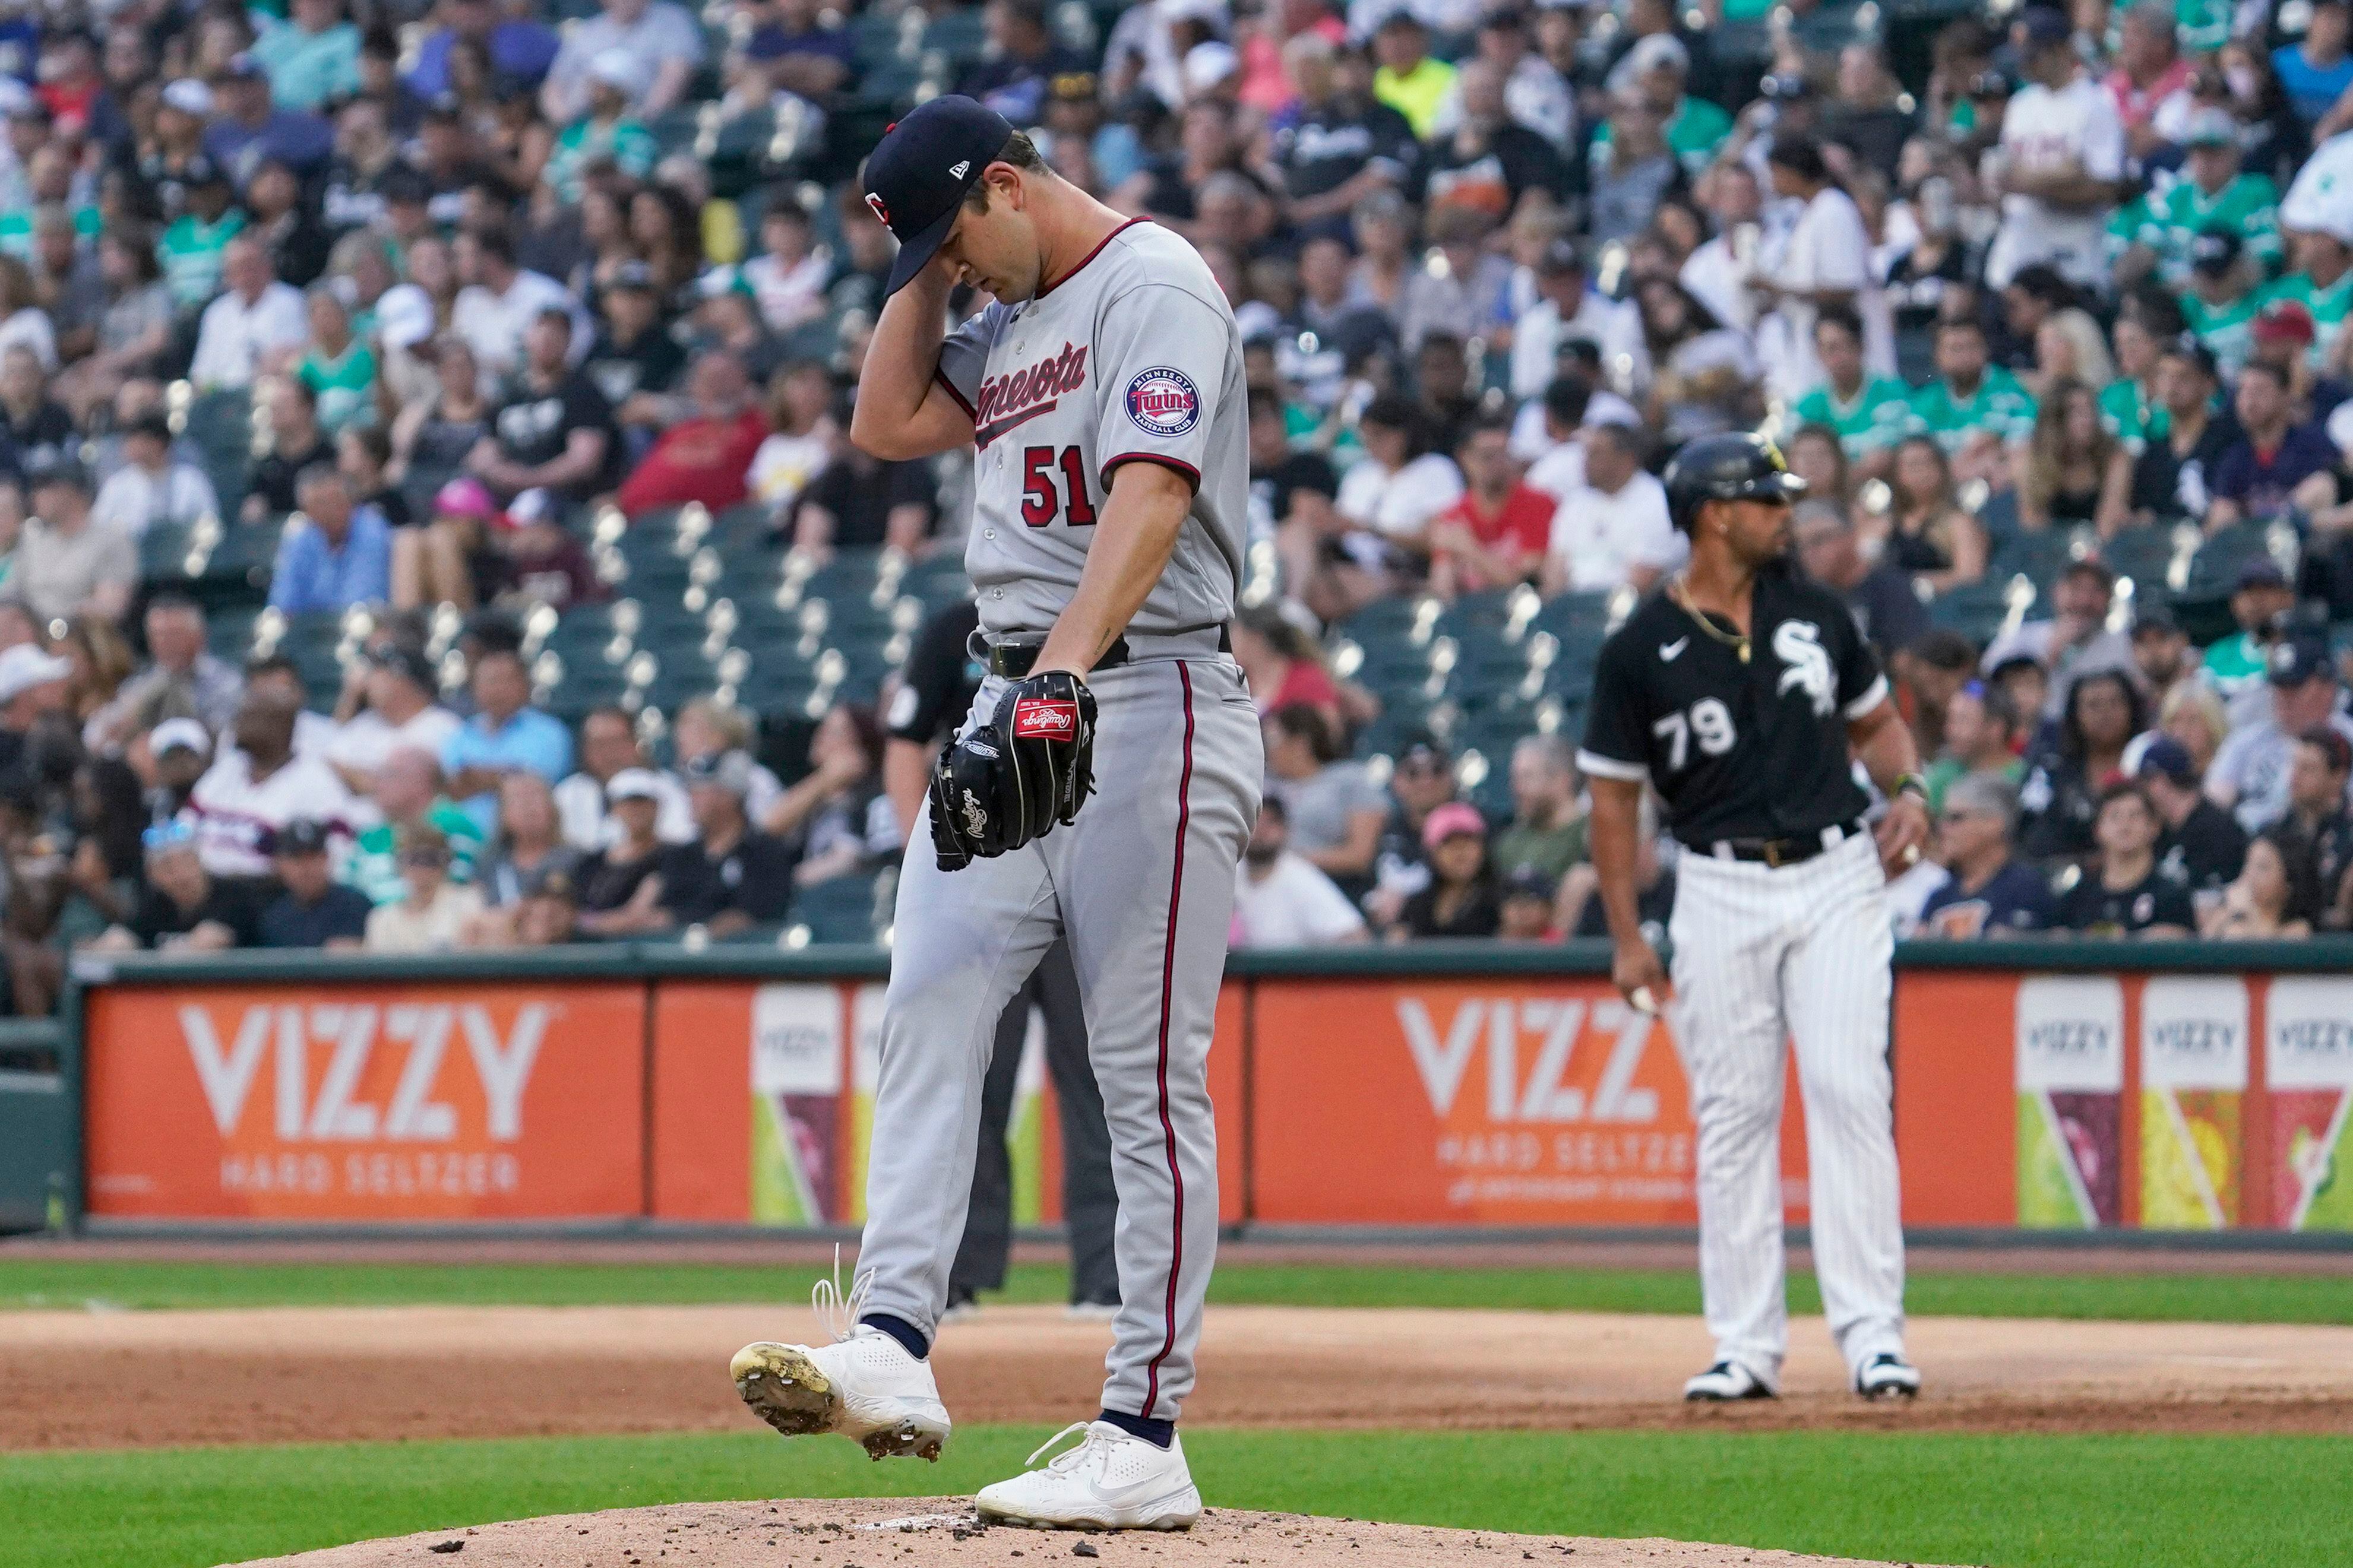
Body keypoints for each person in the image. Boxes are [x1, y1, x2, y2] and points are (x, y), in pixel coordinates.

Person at [728, 100, 1261, 1530]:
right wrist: (922, 273)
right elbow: (883, 419)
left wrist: (1061, 688)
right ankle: (894, 1345)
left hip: (1147, 696)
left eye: (959, 231)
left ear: (1012, 184)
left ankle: (1145, 1432)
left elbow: (1154, 495)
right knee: (931, 996)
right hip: (1013, 682)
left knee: (1148, 1081)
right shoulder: (1005, 313)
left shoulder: (1154, 284)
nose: (952, 268)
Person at [1577, 432, 1927, 1406]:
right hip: (1718, 883)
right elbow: (1611, 804)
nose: (1787, 513)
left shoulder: (1815, 610)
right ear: (1714, 514)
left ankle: (1873, 1337)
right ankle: (1744, 1344)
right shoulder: (1637, 648)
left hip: (1835, 872)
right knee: (1732, 1114)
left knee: (1849, 1089)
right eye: (1767, 500)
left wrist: (1908, 785)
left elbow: (1877, 722)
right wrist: (1626, 935)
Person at [882, 597, 1120, 1317]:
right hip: (987, 873)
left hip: (1091, 867)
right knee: (970, 1079)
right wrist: (922, 853)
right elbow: (904, 741)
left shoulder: (1118, 602)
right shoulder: (956, 620)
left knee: (1100, 1082)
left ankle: (1109, 1278)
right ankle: (955, 1277)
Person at [1987, 7, 2125, 292]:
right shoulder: (2020, 104)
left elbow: (2106, 189)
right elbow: (2006, 178)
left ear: (2061, 51)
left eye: (2033, 58)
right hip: (2018, 257)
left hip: (2074, 263)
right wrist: (2064, 174)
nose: (2025, 67)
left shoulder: (2096, 103)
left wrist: (2030, 184)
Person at [186, 686, 361, 885]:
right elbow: (183, 829)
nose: (239, 725)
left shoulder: (318, 783)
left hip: (268, 896)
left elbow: (334, 861)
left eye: (251, 717)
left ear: (282, 727)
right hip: (203, 890)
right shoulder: (227, 770)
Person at [2208, 635, 2353, 832]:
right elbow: (2213, 804)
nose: (2284, 698)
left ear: (2327, 690)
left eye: (2294, 688)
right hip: (2245, 845)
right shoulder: (2248, 740)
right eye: (2279, 687)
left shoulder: (2346, 739)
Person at [654, 750, 798, 936]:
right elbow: (665, 911)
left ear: (729, 795)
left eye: (700, 790)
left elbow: (760, 913)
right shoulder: (681, 855)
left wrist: (711, 931)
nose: (691, 798)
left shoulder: (765, 853)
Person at [2019, 669, 2146, 864]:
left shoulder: (2149, 765)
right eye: (2093, 706)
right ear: (2075, 715)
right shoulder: (2052, 769)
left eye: (2116, 703)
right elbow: (2033, 833)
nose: (2106, 713)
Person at [1262, 701, 1385, 901]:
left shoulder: (1349, 779)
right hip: (1266, 890)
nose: (1266, 748)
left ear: (1300, 744)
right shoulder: (1263, 784)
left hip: (1334, 889)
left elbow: (1360, 855)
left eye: (1272, 740)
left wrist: (1287, 860)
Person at [442, 647, 573, 833]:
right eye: (490, 681)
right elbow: (451, 789)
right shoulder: (459, 734)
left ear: (524, 685)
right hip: (465, 843)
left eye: (506, 681)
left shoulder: (550, 732)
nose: (497, 690)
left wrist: (476, 778)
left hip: (528, 841)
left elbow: (537, 785)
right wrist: (507, 774)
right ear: (474, 687)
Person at [1537, 421, 1677, 595]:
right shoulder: (1576, 501)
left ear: (1627, 459)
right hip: (1571, 609)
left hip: (1628, 613)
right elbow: (1555, 566)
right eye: (1586, 453)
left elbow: (1642, 581)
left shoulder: (1658, 502)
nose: (1585, 461)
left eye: (1596, 454)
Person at [87, 819, 266, 952]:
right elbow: (124, 936)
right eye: (168, 868)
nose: (181, 875)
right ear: (153, 876)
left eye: (186, 862)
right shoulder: (156, 904)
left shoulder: (234, 895)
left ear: (199, 862)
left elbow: (211, 941)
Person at [1916, 775, 2056, 937]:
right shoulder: (1940, 897)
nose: (1942, 828)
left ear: (1995, 823)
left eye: (1955, 818)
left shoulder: (2026, 888)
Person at [1428, 416, 1552, 598]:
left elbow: (1525, 587)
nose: (1498, 464)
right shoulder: (1454, 515)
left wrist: (1468, 548)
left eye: (1504, 454)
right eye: (1487, 456)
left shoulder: (1538, 504)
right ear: (1464, 457)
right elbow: (1443, 593)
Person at [1791, 501, 1928, 663]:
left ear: (1851, 536)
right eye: (1800, 546)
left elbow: (1908, 660)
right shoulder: (1802, 599)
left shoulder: (1891, 589)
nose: (1809, 553)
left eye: (1818, 540)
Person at [2057, 782, 2196, 937]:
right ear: (2097, 830)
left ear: (2155, 827)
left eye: (2135, 815)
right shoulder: (2078, 898)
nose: (2125, 825)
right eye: (2115, 816)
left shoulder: (2171, 896)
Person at [325, 643, 462, 796]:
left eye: (379, 673)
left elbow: (424, 789)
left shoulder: (444, 726)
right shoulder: (365, 722)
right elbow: (329, 764)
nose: (369, 681)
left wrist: (356, 778)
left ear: (405, 681)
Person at [1228, 796, 1367, 946]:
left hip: (1288, 969)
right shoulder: (1228, 872)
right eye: (1255, 823)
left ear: (1286, 830)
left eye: (1271, 823)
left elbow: (1354, 935)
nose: (1262, 831)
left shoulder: (1300, 875)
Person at [8, 459, 134, 623]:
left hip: (80, 640)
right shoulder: (33, 539)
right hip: (30, 640)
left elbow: (108, 608)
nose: (35, 496)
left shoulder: (111, 539)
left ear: (71, 491)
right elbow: (10, 595)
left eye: (44, 487)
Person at [556, 705, 692, 849]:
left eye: (617, 741)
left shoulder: (668, 786)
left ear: (636, 744)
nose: (610, 753)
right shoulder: (568, 793)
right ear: (586, 750)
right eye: (600, 744)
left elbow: (682, 839)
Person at [2138, 734, 2250, 902]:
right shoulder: (2161, 831)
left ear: (2161, 780)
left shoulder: (2219, 830)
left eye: (2146, 781)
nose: (2143, 791)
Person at [186, 236, 307, 391]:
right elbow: (201, 374)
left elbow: (295, 359)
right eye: (237, 268)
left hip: (270, 392)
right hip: (223, 398)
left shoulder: (291, 302)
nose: (245, 275)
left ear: (267, 266)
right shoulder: (216, 312)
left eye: (251, 266)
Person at [268, 465, 392, 613]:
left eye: (333, 501)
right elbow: (282, 606)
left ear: (349, 501)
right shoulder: (302, 536)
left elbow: (359, 605)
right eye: (316, 505)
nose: (328, 512)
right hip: (312, 633)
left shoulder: (371, 528)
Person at [89, 413, 220, 539]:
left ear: (157, 444)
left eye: (136, 440)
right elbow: (97, 529)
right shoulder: (118, 485)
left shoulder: (191, 481)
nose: (128, 446)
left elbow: (210, 524)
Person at [364, 823, 488, 951]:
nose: (422, 867)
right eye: (413, 859)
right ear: (399, 863)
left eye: (431, 859)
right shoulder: (382, 919)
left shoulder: (467, 902)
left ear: (447, 862)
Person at [257, 817, 374, 948]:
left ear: (327, 858)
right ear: (280, 864)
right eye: (297, 858)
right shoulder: (275, 918)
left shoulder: (356, 905)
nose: (307, 868)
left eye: (314, 857)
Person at [1391, 800, 1499, 939]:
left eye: (1469, 840)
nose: (1460, 851)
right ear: (1431, 853)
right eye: (1448, 842)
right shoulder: (1417, 906)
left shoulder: (1501, 901)